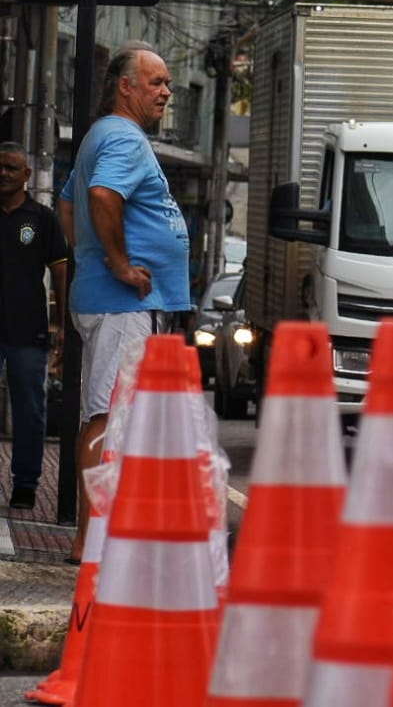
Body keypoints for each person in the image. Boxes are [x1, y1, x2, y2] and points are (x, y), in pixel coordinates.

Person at [59, 42, 191, 559]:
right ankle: (90, 543)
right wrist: (115, 263)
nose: (166, 92)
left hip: (115, 301)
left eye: (168, 84)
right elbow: (98, 197)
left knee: (116, 416)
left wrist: (91, 256)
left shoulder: (103, 136)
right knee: (106, 418)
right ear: (126, 86)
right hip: (122, 306)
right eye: (156, 82)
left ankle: (99, 537)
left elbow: (69, 203)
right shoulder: (123, 139)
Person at [0, 143, 69, 511]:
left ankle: (25, 484)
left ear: (27, 175)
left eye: (12, 168)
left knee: (30, 410)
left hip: (29, 331)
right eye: (0, 167)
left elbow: (60, 271)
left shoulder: (42, 219)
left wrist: (61, 326)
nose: (4, 174)